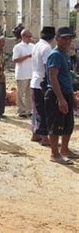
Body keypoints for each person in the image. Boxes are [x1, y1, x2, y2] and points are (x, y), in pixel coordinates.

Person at [45, 27, 78, 165]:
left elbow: (67, 78)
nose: (67, 40)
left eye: (69, 38)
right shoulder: (56, 55)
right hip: (56, 94)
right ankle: (54, 153)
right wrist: (60, 99)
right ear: (57, 38)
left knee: (68, 124)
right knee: (56, 125)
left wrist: (72, 97)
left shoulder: (64, 55)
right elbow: (53, 77)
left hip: (66, 93)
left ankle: (64, 149)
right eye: (64, 38)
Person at [30, 26, 55, 146]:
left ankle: (35, 134)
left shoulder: (36, 46)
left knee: (36, 109)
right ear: (53, 37)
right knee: (45, 110)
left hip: (35, 81)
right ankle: (45, 138)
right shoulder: (46, 48)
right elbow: (48, 67)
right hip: (42, 83)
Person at [12, 29, 34, 118]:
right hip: (22, 73)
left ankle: (29, 110)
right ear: (23, 36)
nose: (30, 38)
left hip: (31, 73)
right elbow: (15, 59)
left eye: (30, 36)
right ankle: (21, 111)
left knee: (30, 93)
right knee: (20, 93)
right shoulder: (18, 47)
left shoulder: (33, 46)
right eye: (28, 36)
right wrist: (27, 56)